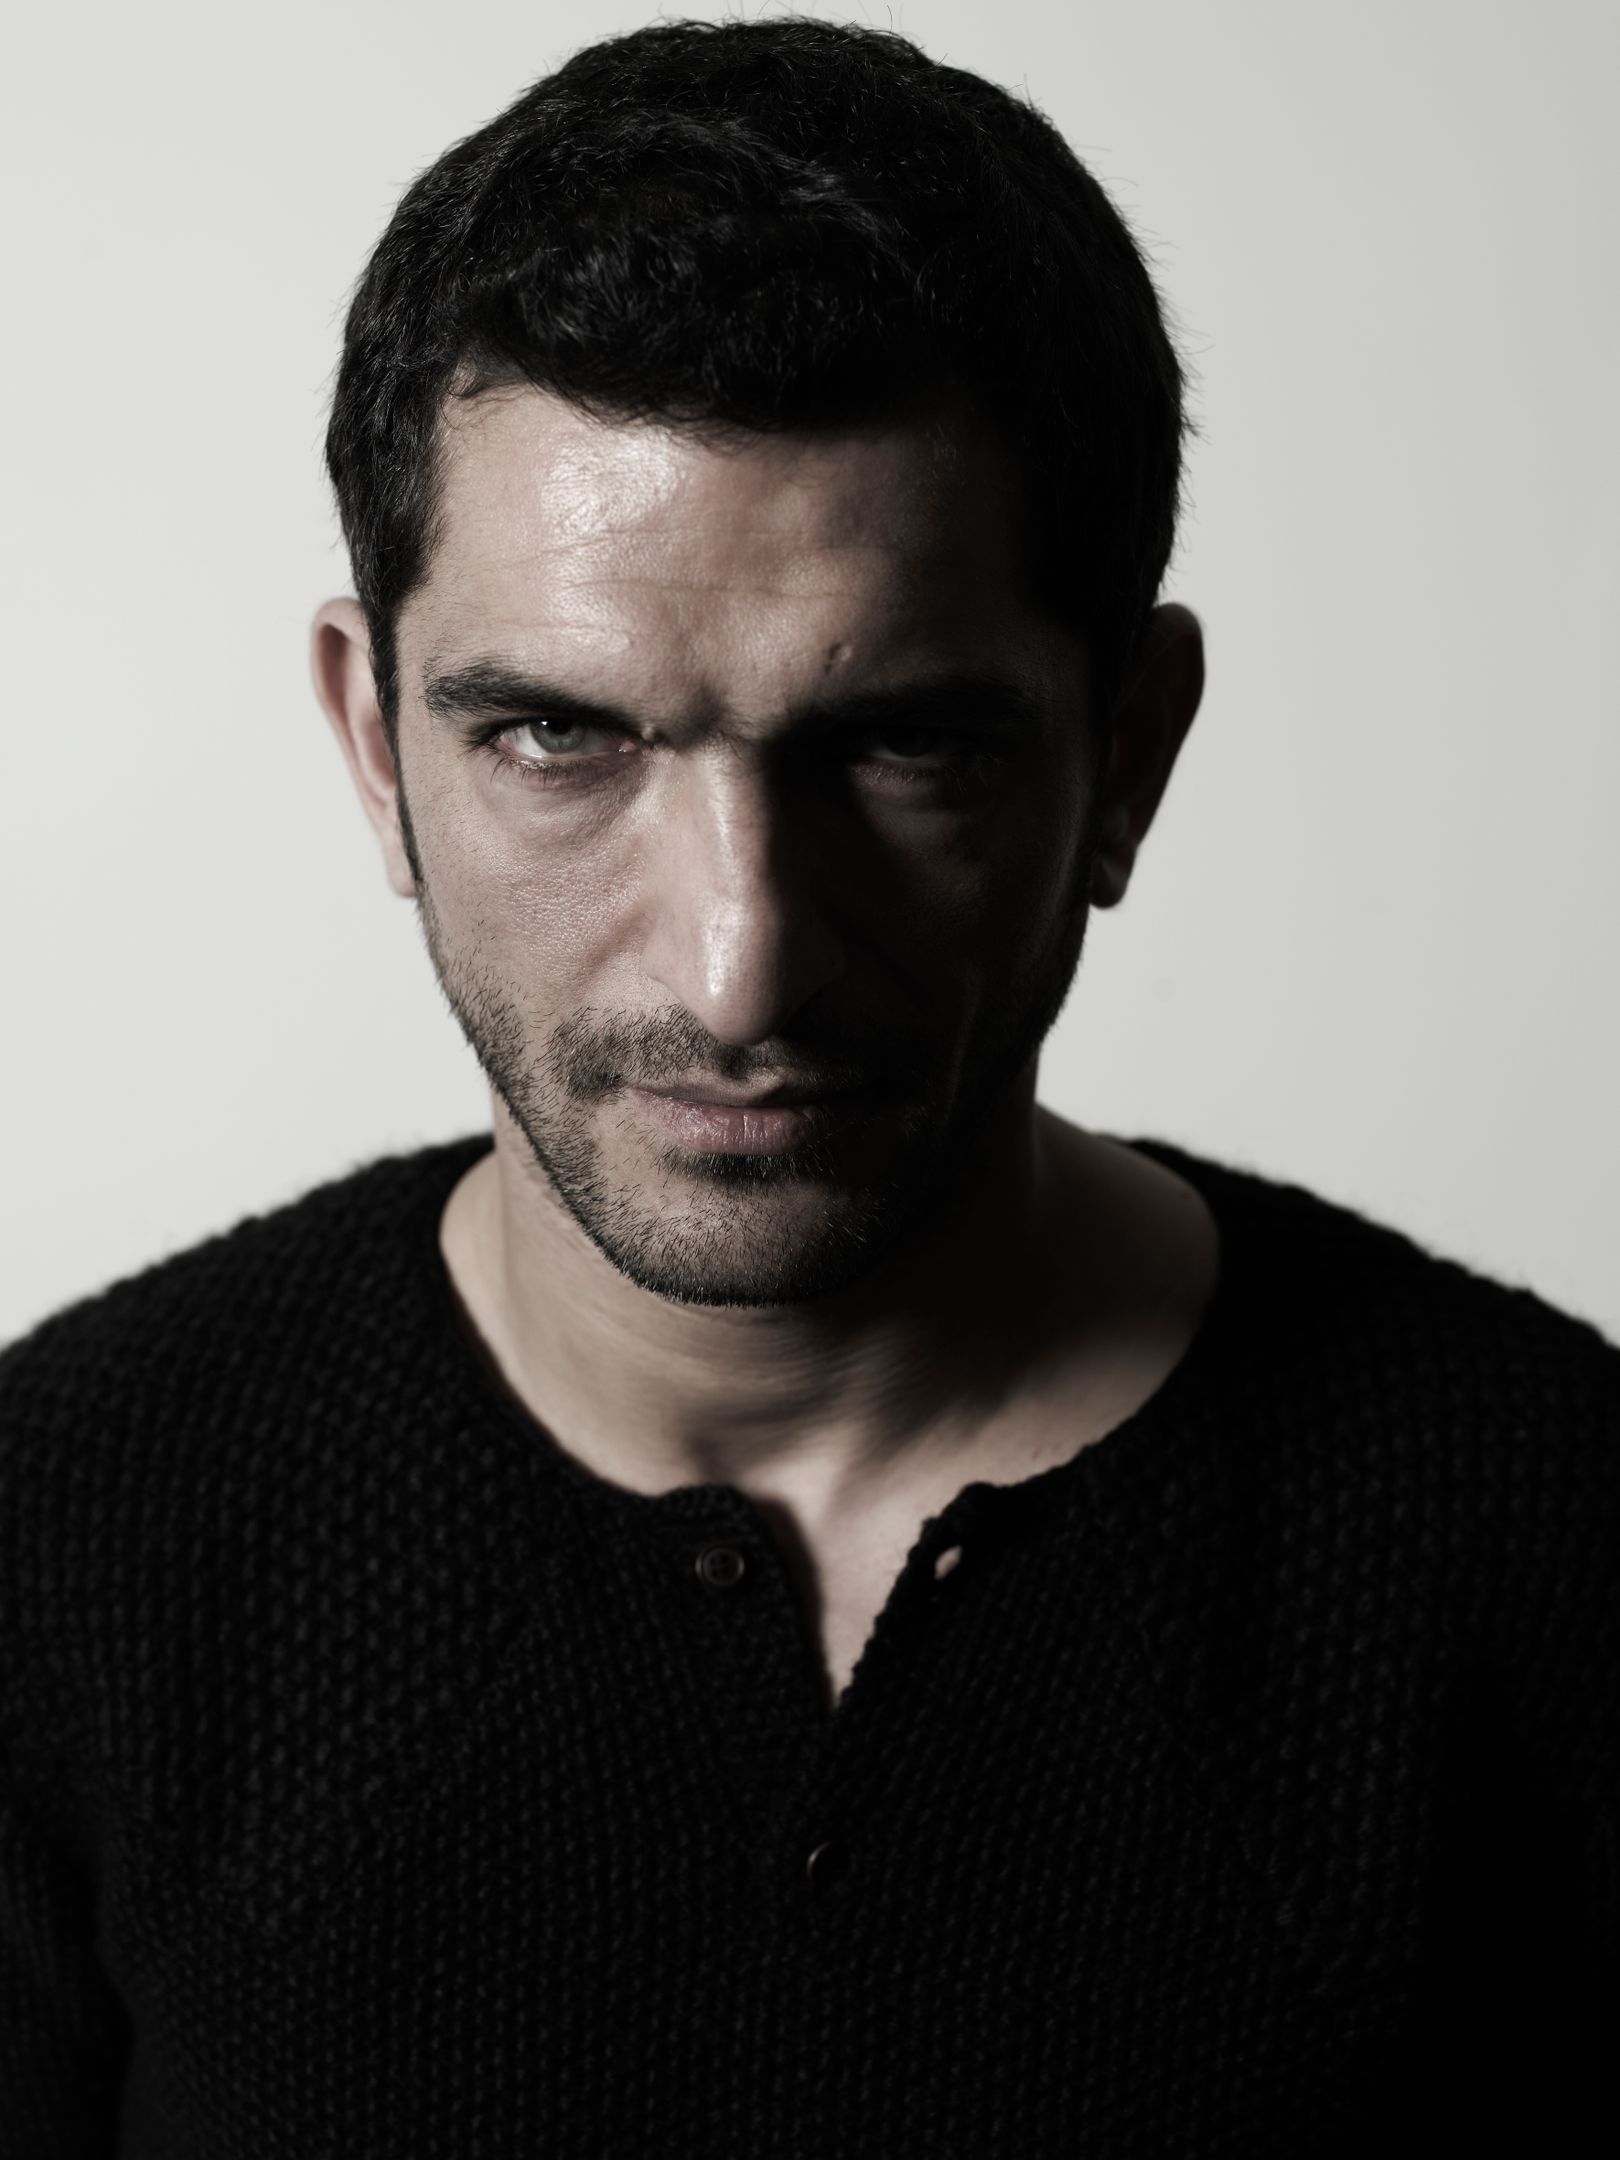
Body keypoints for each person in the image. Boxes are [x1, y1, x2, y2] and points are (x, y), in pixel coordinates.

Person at [1, 17, 1613, 2155]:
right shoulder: (58, 1542)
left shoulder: (1556, 1538)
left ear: (1129, 752)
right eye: (560, 739)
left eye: (905, 745)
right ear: (377, 747)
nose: (738, 965)